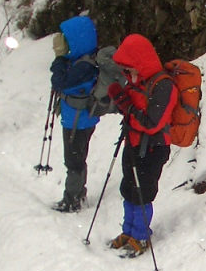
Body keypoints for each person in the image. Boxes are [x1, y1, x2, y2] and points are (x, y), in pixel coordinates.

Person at [106, 33, 177, 257]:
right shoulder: (139, 81)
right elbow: (131, 110)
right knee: (128, 188)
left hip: (154, 147)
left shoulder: (164, 86)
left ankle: (141, 236)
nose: (128, 74)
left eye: (130, 68)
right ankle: (128, 231)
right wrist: (122, 102)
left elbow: (152, 123)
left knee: (143, 191)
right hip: (134, 143)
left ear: (140, 62)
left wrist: (126, 106)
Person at [49, 16, 102, 213]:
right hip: (81, 118)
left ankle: (71, 200)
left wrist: (59, 57)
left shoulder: (84, 66)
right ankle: (78, 193)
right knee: (78, 157)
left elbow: (59, 82)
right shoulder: (85, 60)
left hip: (77, 120)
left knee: (73, 160)